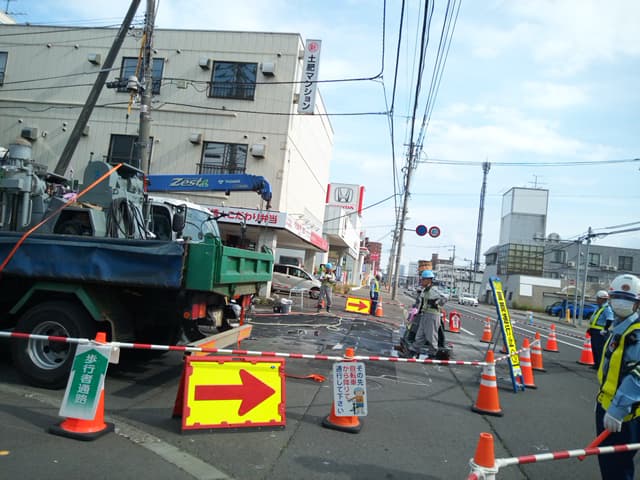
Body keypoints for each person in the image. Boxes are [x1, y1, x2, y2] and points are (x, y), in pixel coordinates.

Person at [595, 274, 640, 480]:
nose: (622, 303)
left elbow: (637, 377)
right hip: (607, 406)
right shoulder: (620, 328)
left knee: (618, 469)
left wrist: (617, 410)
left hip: (624, 415)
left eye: (628, 299)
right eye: (618, 297)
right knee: (608, 465)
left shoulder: (636, 333)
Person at [407, 270, 446, 357]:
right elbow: (421, 302)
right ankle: (414, 350)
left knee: (431, 336)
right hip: (425, 314)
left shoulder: (434, 290)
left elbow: (445, 298)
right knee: (420, 334)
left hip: (432, 315)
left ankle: (432, 353)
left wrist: (436, 303)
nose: (421, 281)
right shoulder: (425, 290)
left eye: (423, 279)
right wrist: (418, 311)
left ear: (429, 280)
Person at [587, 290, 615, 369]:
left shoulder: (607, 308)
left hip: (600, 332)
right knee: (594, 348)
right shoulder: (599, 307)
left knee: (599, 349)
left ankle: (600, 366)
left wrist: (605, 329)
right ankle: (596, 364)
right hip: (594, 331)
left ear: (602, 299)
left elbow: (610, 319)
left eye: (598, 298)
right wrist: (590, 328)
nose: (597, 300)